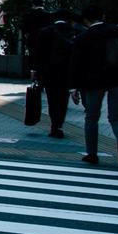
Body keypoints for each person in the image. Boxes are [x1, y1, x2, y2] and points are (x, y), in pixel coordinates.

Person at [71, 5, 118, 166]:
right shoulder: (117, 31)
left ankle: (91, 153)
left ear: (85, 20)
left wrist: (74, 87)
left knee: (91, 117)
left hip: (93, 83)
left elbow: (76, 65)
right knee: (117, 117)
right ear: (103, 16)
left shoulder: (82, 38)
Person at [32, 9, 84, 139]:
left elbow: (38, 53)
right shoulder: (73, 32)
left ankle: (54, 125)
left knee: (52, 99)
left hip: (49, 72)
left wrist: (35, 70)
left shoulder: (45, 31)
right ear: (68, 19)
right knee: (63, 99)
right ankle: (59, 124)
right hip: (67, 71)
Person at [22, 0, 52, 77]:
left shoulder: (29, 15)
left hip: (32, 40)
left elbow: (24, 28)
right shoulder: (48, 14)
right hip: (46, 40)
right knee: (44, 57)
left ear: (33, 5)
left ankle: (33, 74)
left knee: (33, 57)